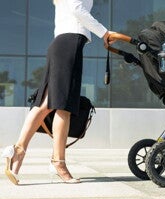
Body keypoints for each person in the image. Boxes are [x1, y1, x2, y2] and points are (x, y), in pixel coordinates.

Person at [1, 0, 115, 185]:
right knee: (63, 107)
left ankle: (18, 152)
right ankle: (58, 162)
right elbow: (77, 9)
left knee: (45, 104)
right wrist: (104, 32)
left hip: (63, 44)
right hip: (69, 44)